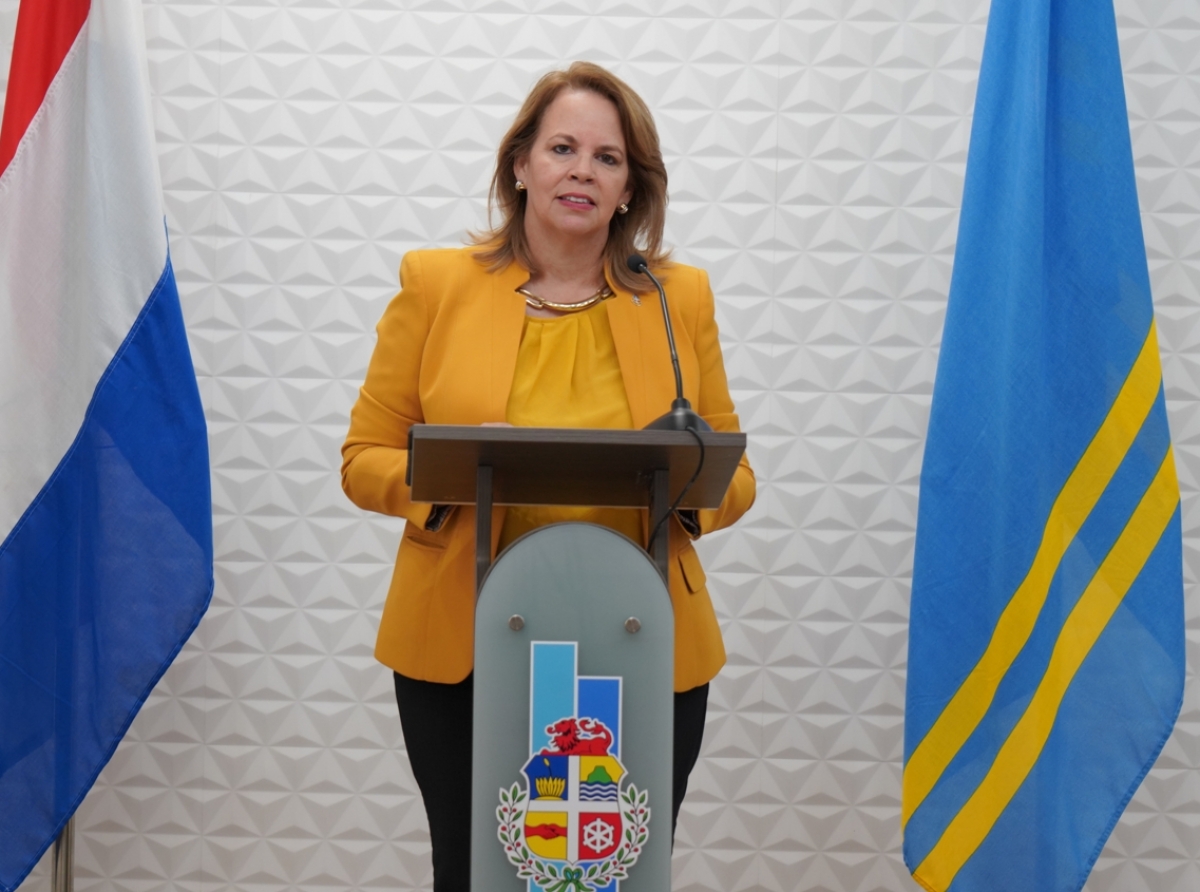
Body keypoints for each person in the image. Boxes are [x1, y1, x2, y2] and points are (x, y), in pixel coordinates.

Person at [340, 61, 755, 892]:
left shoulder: (678, 298)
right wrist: (454, 467)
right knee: (477, 871)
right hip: (466, 644)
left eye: (608, 158)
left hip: (638, 643)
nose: (582, 171)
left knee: (610, 872)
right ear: (521, 164)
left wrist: (684, 487)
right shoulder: (437, 283)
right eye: (562, 148)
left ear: (630, 188)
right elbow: (364, 459)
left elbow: (734, 478)